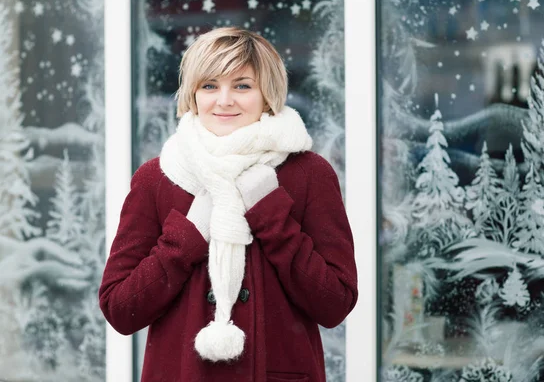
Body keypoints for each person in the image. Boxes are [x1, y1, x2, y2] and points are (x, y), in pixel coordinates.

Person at [99, 27, 358, 382]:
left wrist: (270, 214)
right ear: (192, 95)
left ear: (267, 95)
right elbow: (120, 309)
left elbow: (335, 304)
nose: (224, 100)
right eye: (209, 86)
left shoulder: (309, 174)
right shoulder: (156, 179)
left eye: (242, 85)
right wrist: (186, 237)